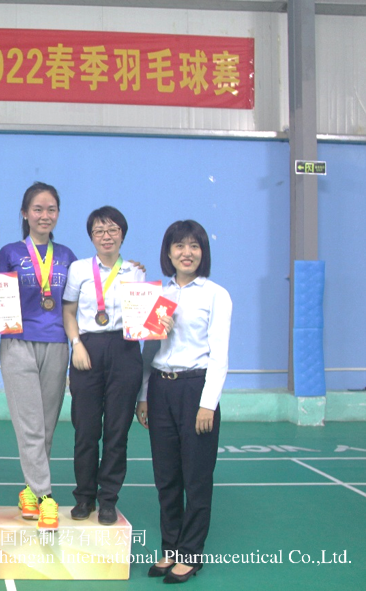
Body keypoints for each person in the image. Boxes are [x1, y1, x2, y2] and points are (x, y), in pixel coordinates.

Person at [135, 220, 232, 583]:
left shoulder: (216, 295)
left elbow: (219, 354)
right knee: (166, 476)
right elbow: (149, 351)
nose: (186, 253)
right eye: (179, 246)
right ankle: (171, 547)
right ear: (169, 252)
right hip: (161, 389)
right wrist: (144, 395)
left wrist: (208, 403)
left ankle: (191, 553)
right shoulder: (156, 294)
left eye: (194, 246)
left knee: (196, 476)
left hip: (196, 388)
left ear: (203, 252)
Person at [0, 182, 76, 530]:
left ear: (58, 214)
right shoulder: (9, 253)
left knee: (46, 427)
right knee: (30, 424)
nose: (44, 215)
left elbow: (77, 301)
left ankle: (30, 492)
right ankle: (46, 496)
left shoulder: (67, 256)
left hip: (57, 344)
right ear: (25, 213)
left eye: (51, 209)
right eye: (37, 209)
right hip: (18, 343)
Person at [63, 206, 144, 525]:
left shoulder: (136, 272)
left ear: (122, 234)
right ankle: (84, 496)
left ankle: (108, 498)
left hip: (125, 351)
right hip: (87, 350)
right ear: (91, 236)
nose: (106, 236)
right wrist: (76, 344)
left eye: (112, 230)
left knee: (117, 431)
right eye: (99, 231)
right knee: (85, 430)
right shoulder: (79, 269)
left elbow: (143, 317)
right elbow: (68, 312)